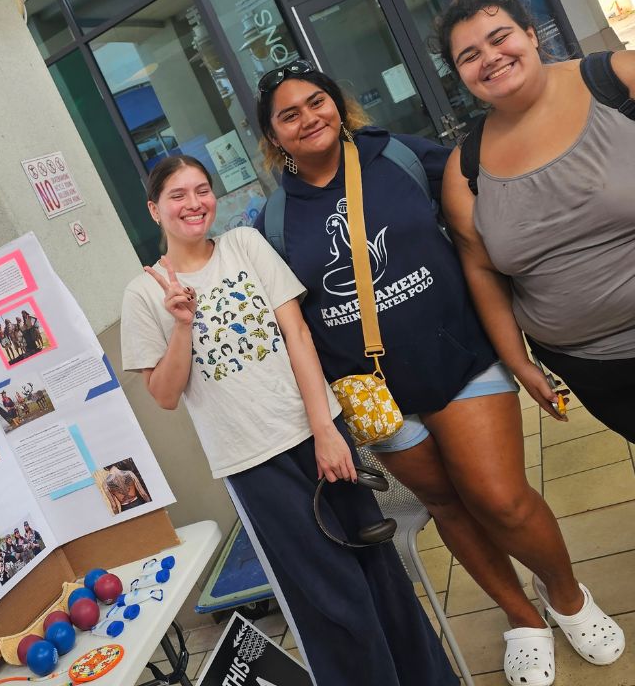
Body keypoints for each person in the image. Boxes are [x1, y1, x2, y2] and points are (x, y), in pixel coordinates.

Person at [253, 58, 622, 685]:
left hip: (459, 361)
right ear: (273, 137)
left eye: (317, 101)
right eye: (289, 115)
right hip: (375, 397)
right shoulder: (274, 220)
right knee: (447, 505)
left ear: (337, 104)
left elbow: (490, 218)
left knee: (499, 498)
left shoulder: (399, 157)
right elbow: (293, 322)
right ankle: (521, 617)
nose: (308, 118)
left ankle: (566, 597)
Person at [121, 154, 458, 686]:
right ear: (153, 209)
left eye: (201, 189)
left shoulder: (244, 246)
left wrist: (326, 429)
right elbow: (164, 395)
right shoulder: (144, 294)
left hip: (316, 436)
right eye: (178, 195)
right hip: (252, 463)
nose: (194, 203)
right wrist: (182, 324)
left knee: (380, 573)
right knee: (329, 599)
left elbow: (298, 335)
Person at [435, 0, 635, 442]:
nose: (489, 57)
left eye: (499, 37)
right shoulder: (464, 169)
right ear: (460, 75)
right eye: (468, 55)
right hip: (593, 369)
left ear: (531, 34)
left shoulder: (615, 79)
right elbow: (482, 272)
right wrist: (520, 362)